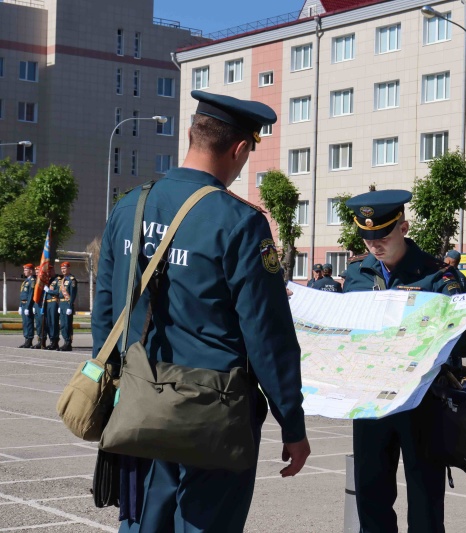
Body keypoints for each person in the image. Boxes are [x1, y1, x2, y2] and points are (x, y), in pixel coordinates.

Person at [92, 90, 310, 531]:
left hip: (139, 401)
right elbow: (267, 335)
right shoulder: (239, 222)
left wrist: (114, 387)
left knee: (142, 523)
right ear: (240, 148)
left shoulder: (128, 206)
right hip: (215, 410)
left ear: (192, 134)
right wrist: (293, 422)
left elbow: (105, 313)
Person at [342, 189, 466, 533]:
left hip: (422, 400)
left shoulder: (437, 276)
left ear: (403, 227)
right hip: (371, 401)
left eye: (382, 234)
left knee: (425, 500)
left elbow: (458, 344)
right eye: (366, 235)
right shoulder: (357, 274)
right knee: (370, 494)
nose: (373, 243)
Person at [57, 262, 78, 352]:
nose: (63, 270)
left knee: (67, 325)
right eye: (62, 268)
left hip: (67, 304)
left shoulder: (71, 280)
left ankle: (68, 343)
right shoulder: (63, 280)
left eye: (65, 268)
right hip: (62, 304)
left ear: (69, 269)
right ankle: (65, 341)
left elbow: (72, 295)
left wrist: (70, 306)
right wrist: (59, 305)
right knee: (62, 325)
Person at [43, 263, 61, 351]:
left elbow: (58, 291)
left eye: (50, 271)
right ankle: (51, 340)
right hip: (48, 303)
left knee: (54, 322)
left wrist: (49, 291)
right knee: (49, 323)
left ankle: (55, 341)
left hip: (54, 303)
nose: (49, 273)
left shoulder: (58, 280)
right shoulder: (49, 280)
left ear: (53, 270)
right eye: (48, 271)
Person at [18, 264, 35, 349]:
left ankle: (29, 340)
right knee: (25, 323)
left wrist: (28, 307)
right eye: (24, 270)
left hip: (28, 305)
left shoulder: (32, 281)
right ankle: (26, 339)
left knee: (28, 323)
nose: (24, 271)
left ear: (31, 271)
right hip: (23, 304)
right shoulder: (26, 281)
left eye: (26, 270)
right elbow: (22, 295)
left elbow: (30, 295)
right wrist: (20, 306)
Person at [32, 265, 45, 349]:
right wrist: (34, 305)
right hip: (36, 304)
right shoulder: (36, 281)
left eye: (38, 272)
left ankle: (42, 341)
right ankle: (39, 340)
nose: (37, 274)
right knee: (38, 324)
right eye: (36, 272)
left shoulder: (43, 282)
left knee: (41, 323)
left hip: (41, 305)